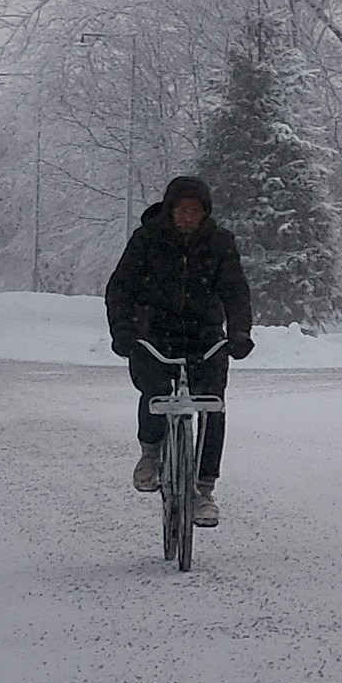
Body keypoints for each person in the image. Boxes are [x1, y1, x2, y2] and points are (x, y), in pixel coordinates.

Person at [106, 173, 258, 519]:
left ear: (205, 213)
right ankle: (151, 452)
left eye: (196, 211)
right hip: (155, 334)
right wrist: (124, 332)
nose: (189, 217)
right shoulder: (147, 241)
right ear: (170, 211)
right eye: (182, 210)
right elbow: (121, 289)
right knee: (156, 392)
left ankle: (203, 489)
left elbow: (235, 291)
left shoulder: (220, 243)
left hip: (204, 336)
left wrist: (239, 333)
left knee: (212, 405)